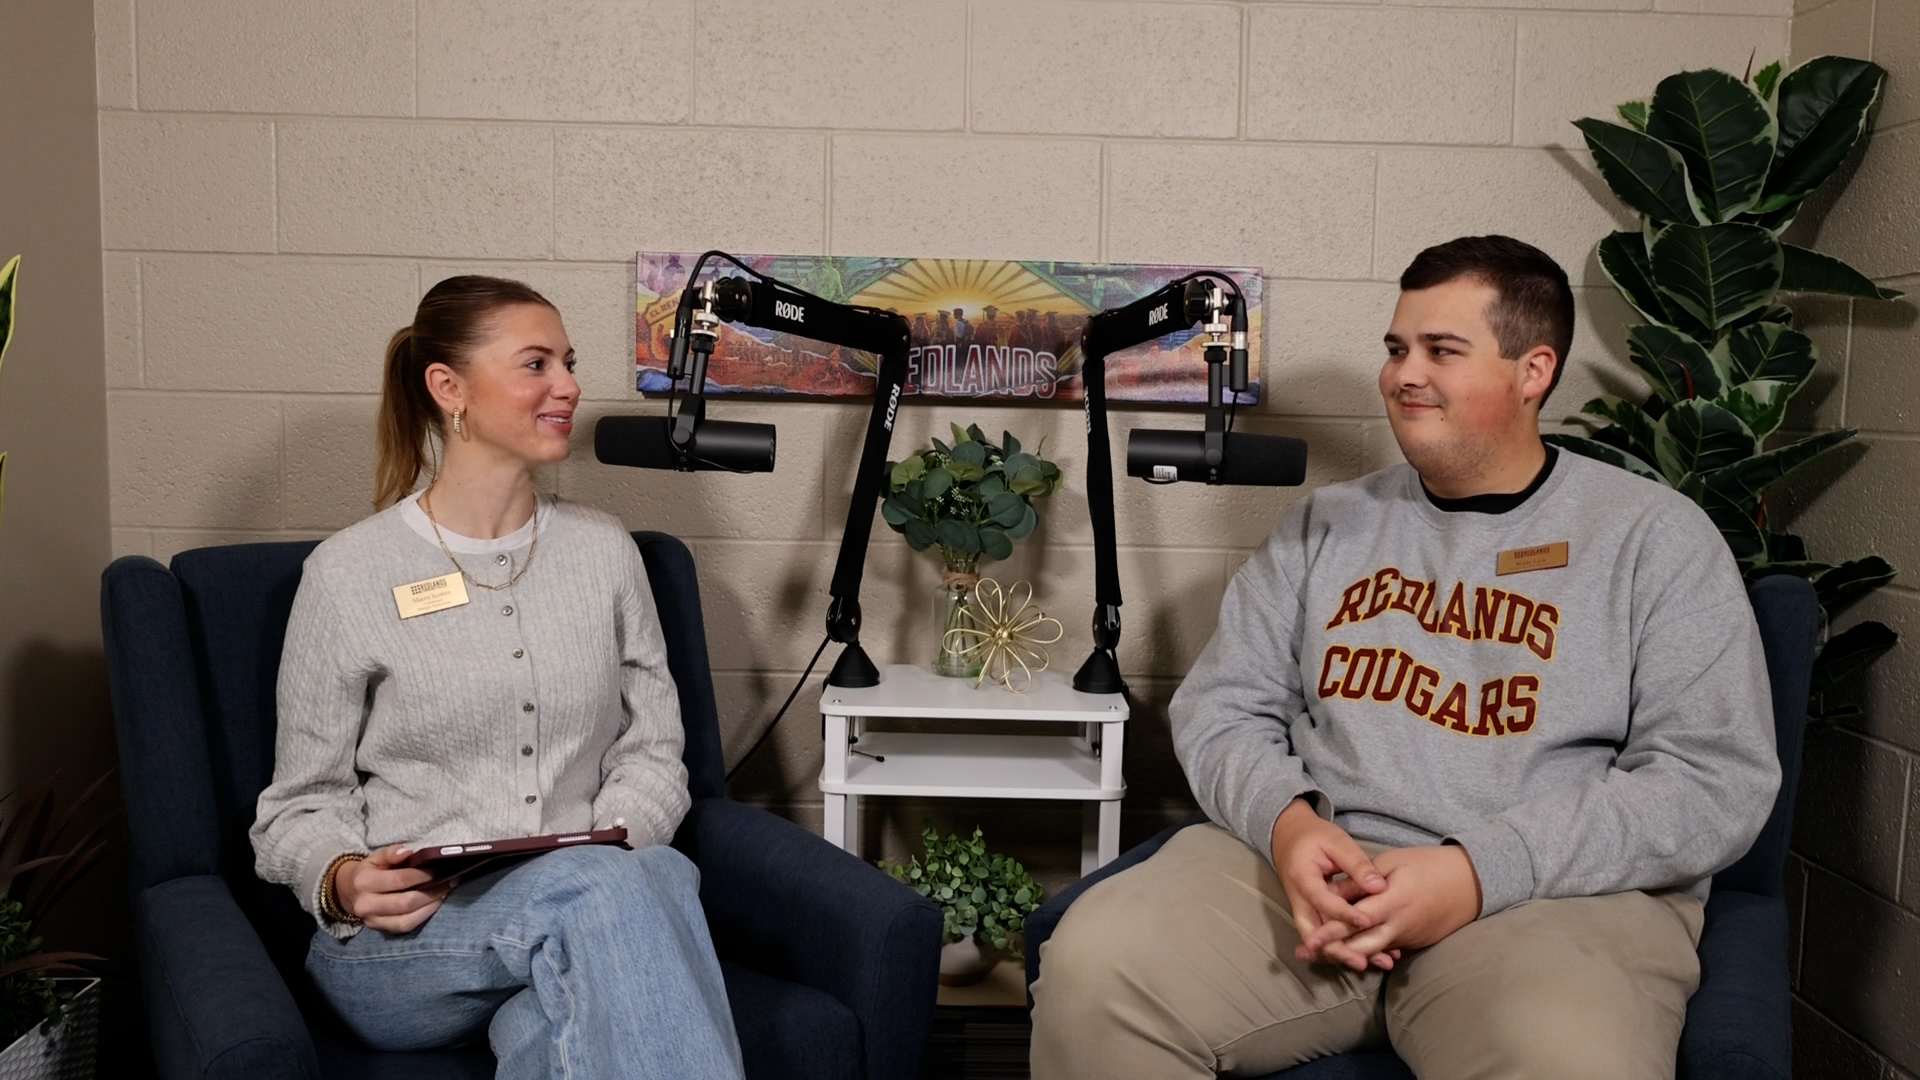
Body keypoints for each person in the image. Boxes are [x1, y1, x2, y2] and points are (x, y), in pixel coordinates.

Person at [1029, 236, 1779, 1079]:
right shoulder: (1326, 525)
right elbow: (1222, 706)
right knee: (1099, 965)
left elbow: (1713, 780)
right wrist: (1288, 824)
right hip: (1314, 876)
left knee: (1567, 1056)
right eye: (1395, 348)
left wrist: (1476, 871)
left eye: (1440, 351)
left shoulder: (1655, 538)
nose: (1402, 374)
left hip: (1552, 902)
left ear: (1532, 371)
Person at [250, 275, 746, 1078]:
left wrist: (612, 847)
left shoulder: (605, 552)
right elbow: (296, 806)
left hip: (587, 914)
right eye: (536, 364)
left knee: (641, 882)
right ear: (448, 388)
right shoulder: (347, 574)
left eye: (569, 362)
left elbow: (654, 750)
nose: (570, 385)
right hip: (408, 946)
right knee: (626, 887)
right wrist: (340, 879)